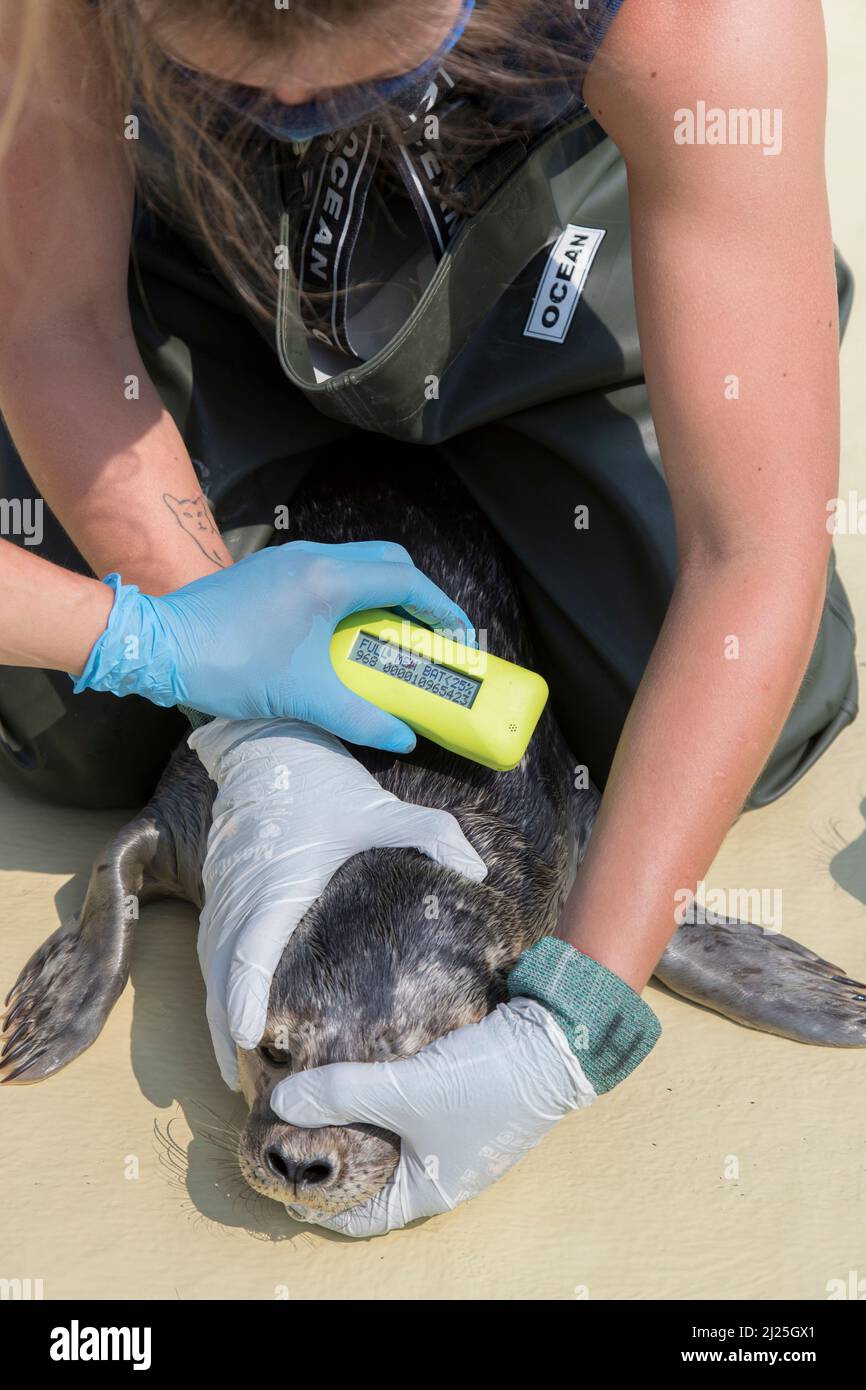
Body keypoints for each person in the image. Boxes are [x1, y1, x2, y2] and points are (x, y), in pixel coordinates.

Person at [0, 0, 855, 1234]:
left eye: (344, 81)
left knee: (752, 720)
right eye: (240, 79)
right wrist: (221, 688)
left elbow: (750, 551)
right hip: (209, 274)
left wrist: (573, 1020)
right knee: (69, 720)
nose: (295, 114)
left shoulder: (701, 18)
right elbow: (54, 325)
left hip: (561, 287)